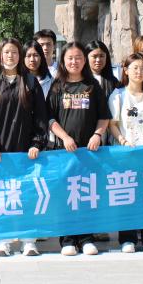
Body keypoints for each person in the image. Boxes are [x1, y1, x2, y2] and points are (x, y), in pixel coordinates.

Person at [0, 38, 48, 257]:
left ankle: (29, 240)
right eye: (6, 52)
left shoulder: (30, 82)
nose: (10, 56)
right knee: (2, 196)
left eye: (14, 52)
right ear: (0, 56)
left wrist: (37, 143)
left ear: (20, 55)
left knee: (26, 195)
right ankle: (3, 241)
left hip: (26, 151)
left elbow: (41, 117)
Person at [48, 41, 111, 256]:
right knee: (66, 194)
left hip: (89, 153)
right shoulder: (57, 87)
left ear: (84, 60)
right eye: (70, 58)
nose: (74, 62)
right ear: (63, 61)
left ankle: (86, 238)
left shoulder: (93, 86)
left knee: (87, 194)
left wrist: (97, 135)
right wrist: (65, 137)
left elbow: (104, 116)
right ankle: (67, 239)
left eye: (78, 58)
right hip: (64, 152)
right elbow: (49, 119)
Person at [107, 53, 143, 254]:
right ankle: (127, 238)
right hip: (126, 155)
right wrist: (122, 141)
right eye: (135, 68)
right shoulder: (118, 95)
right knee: (126, 195)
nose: (139, 72)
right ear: (126, 70)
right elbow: (113, 124)